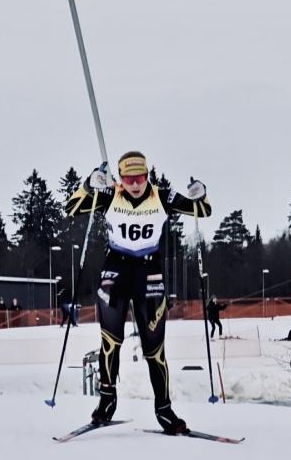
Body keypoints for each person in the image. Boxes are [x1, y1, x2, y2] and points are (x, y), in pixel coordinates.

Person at [66, 151, 210, 434]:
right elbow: (71, 209)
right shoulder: (110, 195)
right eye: (130, 179)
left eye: (141, 178)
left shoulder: (162, 196)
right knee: (110, 342)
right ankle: (107, 402)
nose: (135, 184)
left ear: (148, 176)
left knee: (155, 349)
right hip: (116, 270)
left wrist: (200, 194)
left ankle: (164, 410)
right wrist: (88, 184)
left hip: (149, 273)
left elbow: (202, 211)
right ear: (121, 178)